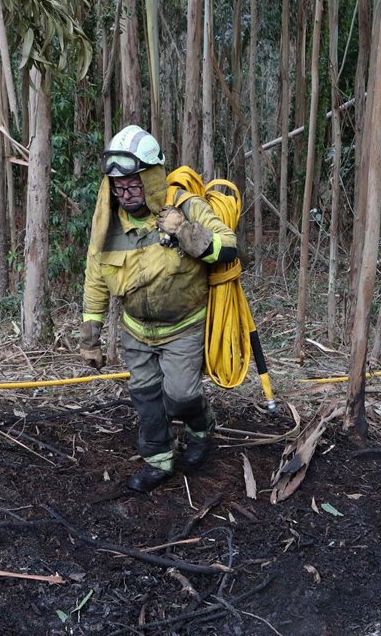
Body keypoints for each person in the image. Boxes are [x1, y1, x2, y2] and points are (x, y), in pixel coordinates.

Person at [80, 125, 238, 493]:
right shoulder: (108, 222)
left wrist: (185, 231)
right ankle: (159, 461)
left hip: (184, 326)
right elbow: (95, 275)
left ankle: (201, 427)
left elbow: (228, 248)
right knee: (147, 397)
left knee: (180, 395)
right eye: (119, 186)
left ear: (152, 177)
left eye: (134, 184)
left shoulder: (185, 207)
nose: (126, 193)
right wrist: (91, 335)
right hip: (136, 329)